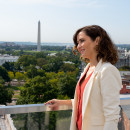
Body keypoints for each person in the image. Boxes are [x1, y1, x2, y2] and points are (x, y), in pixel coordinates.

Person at [45, 25, 122, 130]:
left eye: (82, 41)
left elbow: (112, 116)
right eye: (77, 43)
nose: (78, 46)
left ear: (97, 40)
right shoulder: (88, 69)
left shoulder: (107, 71)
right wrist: (62, 102)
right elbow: (87, 101)